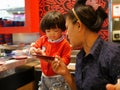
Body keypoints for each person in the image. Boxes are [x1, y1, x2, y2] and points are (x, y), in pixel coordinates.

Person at [51, 0, 120, 90]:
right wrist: (66, 74)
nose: (66, 34)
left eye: (67, 28)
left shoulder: (113, 52)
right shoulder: (81, 57)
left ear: (78, 25)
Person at [29, 11, 71, 90]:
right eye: (48, 31)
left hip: (58, 78)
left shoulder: (65, 44)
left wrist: (57, 61)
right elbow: (35, 46)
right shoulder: (43, 39)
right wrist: (32, 50)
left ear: (62, 29)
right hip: (44, 76)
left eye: (55, 31)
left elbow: (67, 59)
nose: (51, 34)